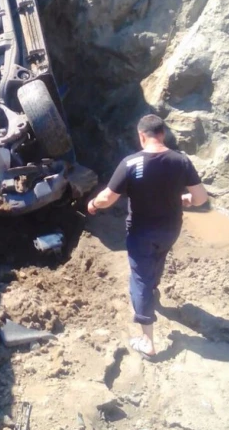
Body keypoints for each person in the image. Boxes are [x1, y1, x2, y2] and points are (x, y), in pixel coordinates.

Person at [87, 114, 208, 359]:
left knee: (139, 280)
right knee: (157, 260)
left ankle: (148, 341)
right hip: (170, 230)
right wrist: (187, 199)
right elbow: (201, 198)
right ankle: (153, 290)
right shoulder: (180, 161)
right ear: (162, 134)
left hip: (141, 232)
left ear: (142, 136)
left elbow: (108, 198)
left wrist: (93, 204)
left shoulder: (130, 163)